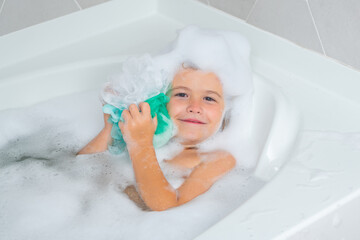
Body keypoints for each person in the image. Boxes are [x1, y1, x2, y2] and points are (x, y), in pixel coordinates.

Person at [77, 65, 236, 211]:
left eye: (209, 98)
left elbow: (169, 207)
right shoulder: (147, 137)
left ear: (226, 112)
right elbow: (77, 171)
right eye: (182, 94)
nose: (194, 107)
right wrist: (112, 128)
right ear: (162, 103)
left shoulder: (217, 158)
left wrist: (140, 145)